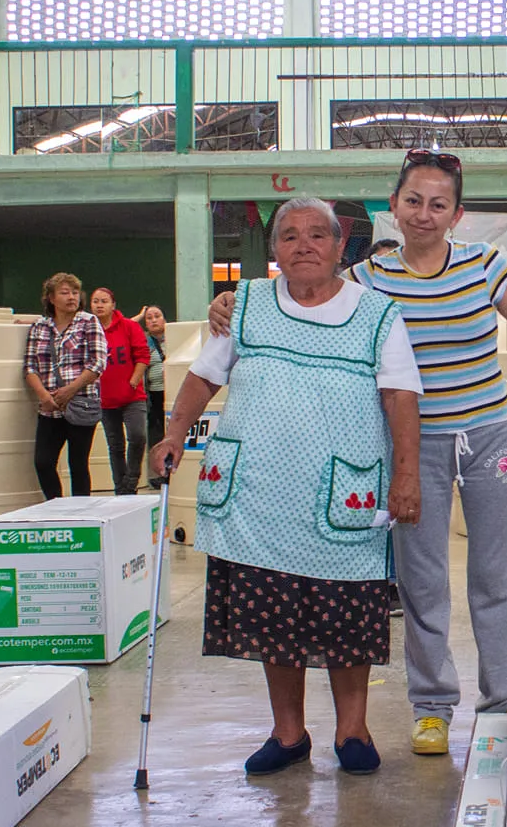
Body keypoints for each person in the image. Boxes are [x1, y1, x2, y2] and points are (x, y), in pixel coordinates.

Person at [206, 151, 507, 757]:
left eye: (438, 204)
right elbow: (304, 293)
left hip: (488, 440)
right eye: (413, 201)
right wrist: (233, 305)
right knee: (422, 582)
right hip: (412, 447)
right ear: (394, 208)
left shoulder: (487, 265)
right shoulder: (368, 277)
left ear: (456, 214)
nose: (424, 214)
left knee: (494, 577)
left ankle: (501, 700)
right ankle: (432, 708)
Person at [157, 198, 422, 777]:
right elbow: (204, 376)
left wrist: (406, 475)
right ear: (274, 249)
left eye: (317, 235)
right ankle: (289, 733)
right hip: (259, 496)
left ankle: (352, 731)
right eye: (290, 236)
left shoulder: (377, 313)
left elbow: (401, 396)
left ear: (338, 248)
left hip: (339, 496)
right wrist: (174, 432)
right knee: (274, 618)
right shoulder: (245, 305)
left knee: (346, 617)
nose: (304, 245)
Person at [24, 272, 105, 499]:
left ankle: (81, 513)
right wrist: (44, 396)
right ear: (51, 298)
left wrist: (70, 390)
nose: (71, 297)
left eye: (75, 292)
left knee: (78, 463)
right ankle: (55, 505)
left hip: (80, 403)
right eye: (64, 292)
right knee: (43, 461)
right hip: (50, 408)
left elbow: (98, 363)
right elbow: (30, 367)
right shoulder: (40, 327)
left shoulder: (89, 322)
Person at [91, 288, 150, 495]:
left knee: (137, 435)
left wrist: (133, 382)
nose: (99, 305)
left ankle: (131, 479)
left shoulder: (129, 327)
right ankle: (121, 488)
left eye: (104, 301)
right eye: (95, 301)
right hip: (105, 400)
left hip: (132, 397)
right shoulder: (89, 330)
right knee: (114, 445)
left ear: (113, 305)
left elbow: (143, 356)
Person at [139, 304, 168, 486]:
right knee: (156, 435)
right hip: (154, 395)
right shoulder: (143, 342)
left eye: (157, 316)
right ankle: (158, 474)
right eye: (149, 318)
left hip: (172, 393)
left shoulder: (176, 338)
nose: (153, 320)